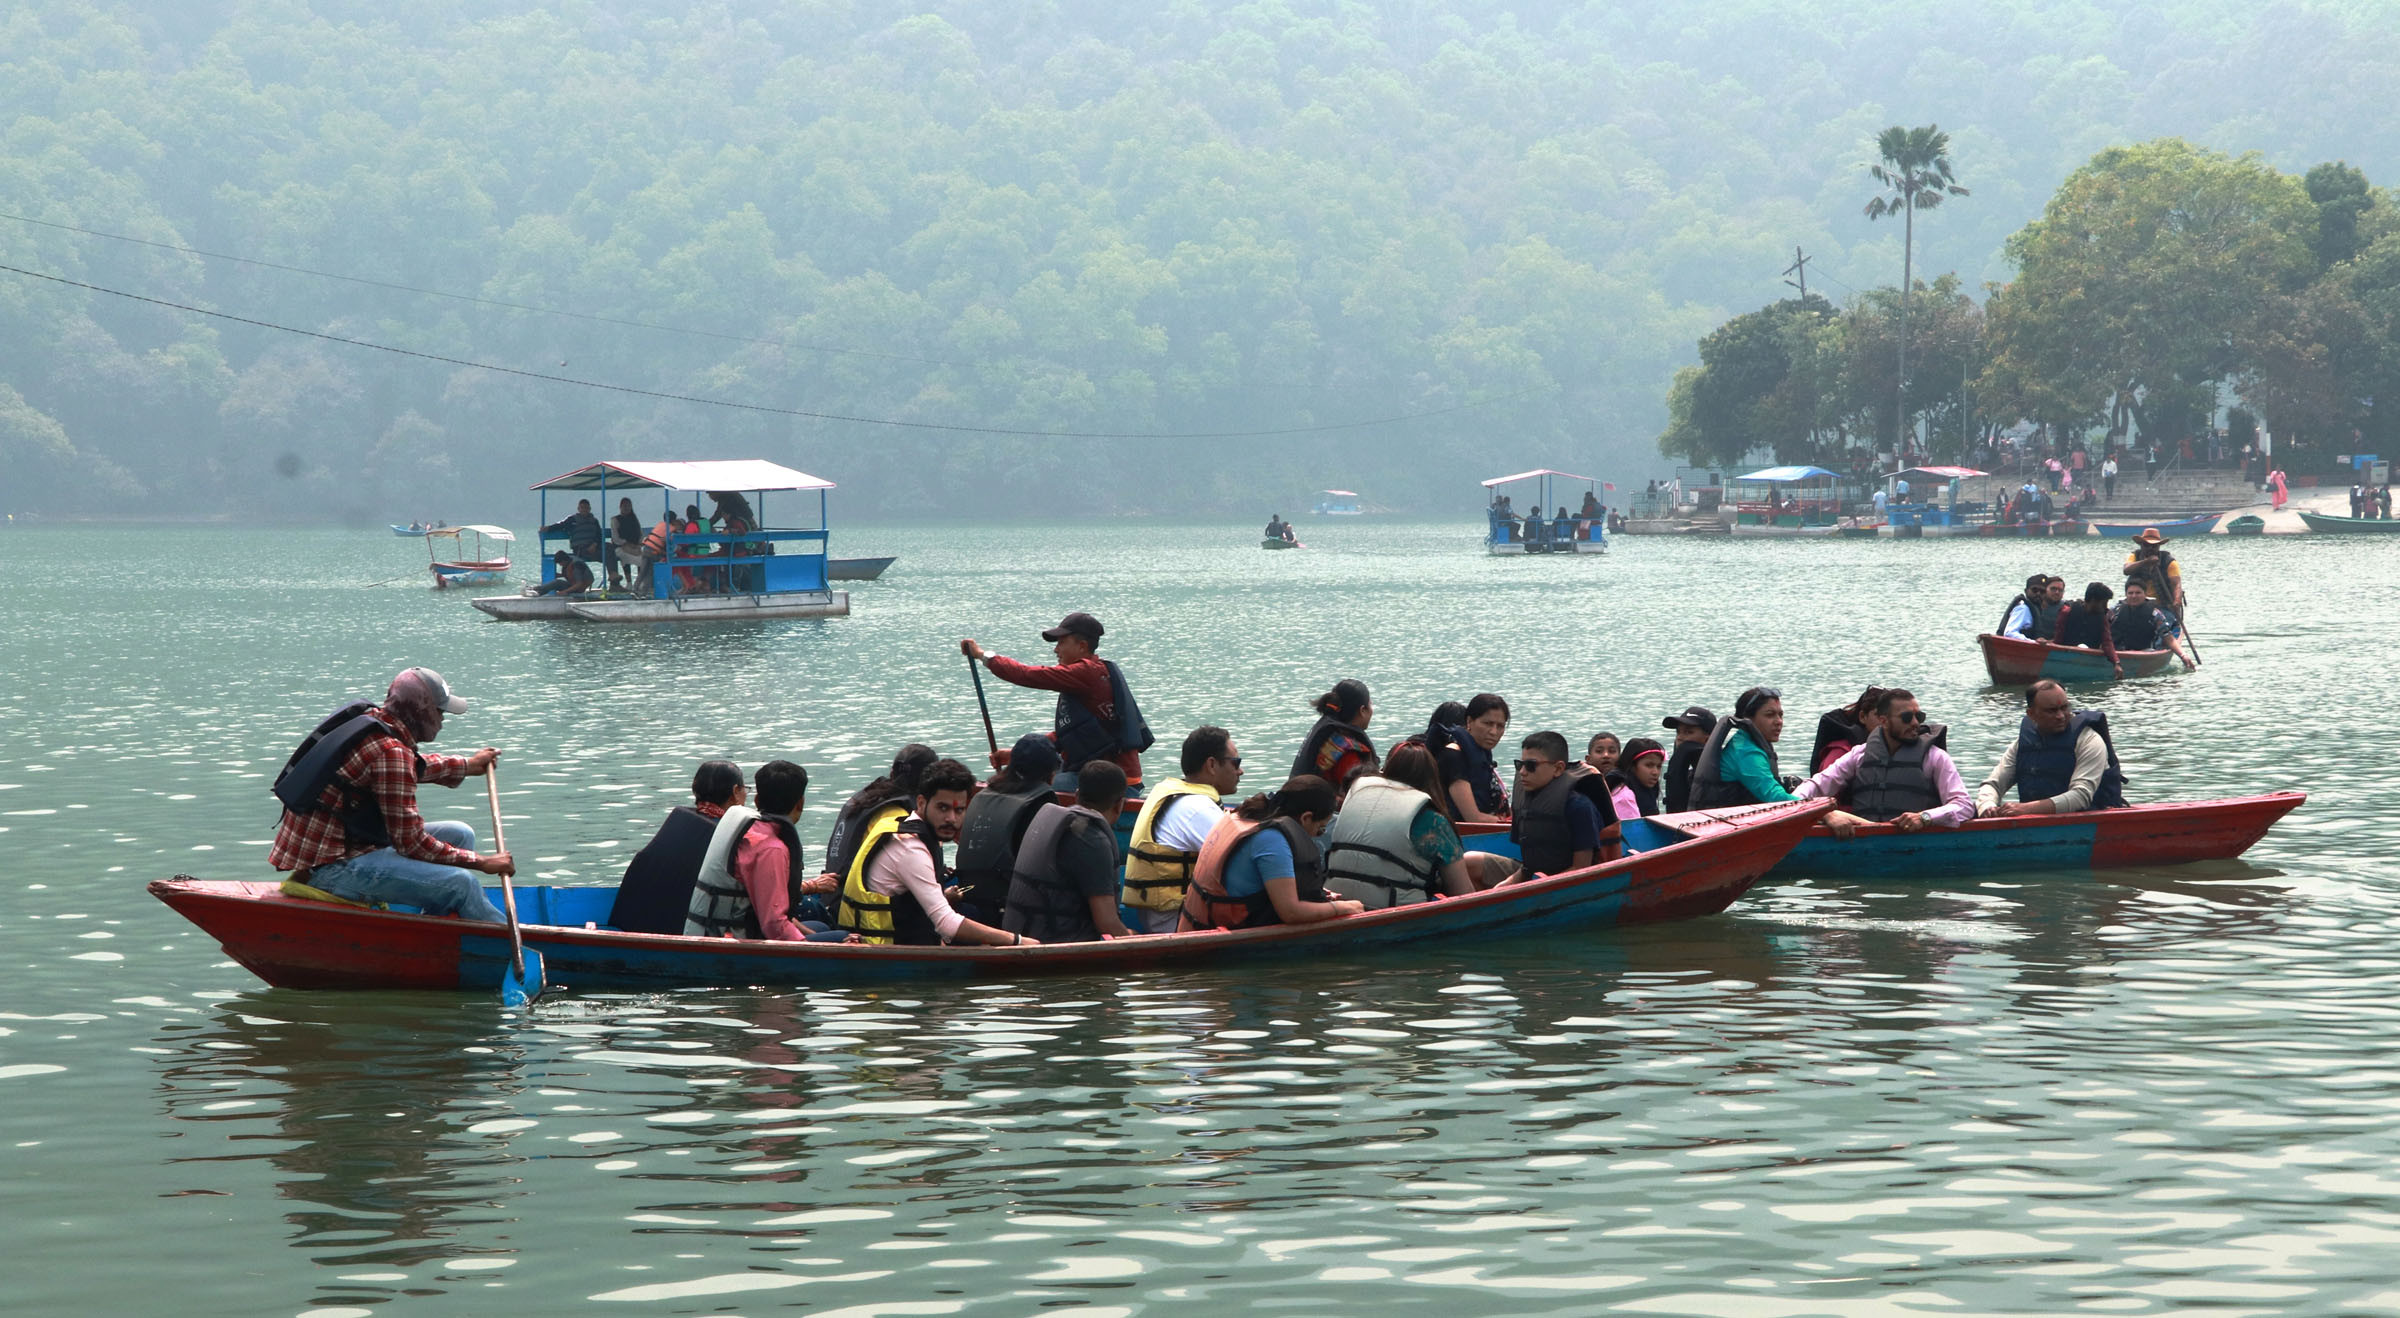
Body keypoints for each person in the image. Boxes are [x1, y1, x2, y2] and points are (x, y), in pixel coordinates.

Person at [266, 667, 509, 922]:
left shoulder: (373, 721)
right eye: (439, 712)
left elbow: (408, 767)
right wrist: (481, 862)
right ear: (421, 713)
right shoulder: (392, 753)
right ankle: (504, 942)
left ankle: (435, 927)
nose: (442, 720)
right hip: (332, 869)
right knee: (463, 884)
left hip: (347, 848)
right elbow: (411, 842)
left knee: (461, 833)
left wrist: (466, 765)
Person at [838, 758, 1032, 945]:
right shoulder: (910, 849)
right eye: (943, 808)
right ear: (921, 803)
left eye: (959, 810)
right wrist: (1017, 940)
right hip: (887, 947)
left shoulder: (908, 827)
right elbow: (947, 924)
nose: (951, 819)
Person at [961, 613, 1151, 790]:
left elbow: (1026, 674)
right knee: (1034, 772)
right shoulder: (1088, 675)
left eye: (1061, 642)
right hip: (1090, 770)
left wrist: (982, 655)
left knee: (1036, 785)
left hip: (1114, 781)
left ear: (1082, 646)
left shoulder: (1086, 673)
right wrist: (1015, 755)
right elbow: (1070, 733)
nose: (1056, 649)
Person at [1324, 743, 1514, 909]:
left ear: (1386, 770)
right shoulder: (1432, 821)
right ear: (1432, 778)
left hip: (1339, 899)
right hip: (1391, 906)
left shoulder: (1357, 793)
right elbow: (1462, 893)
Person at [687, 760, 844, 942]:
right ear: (800, 803)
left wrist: (811, 934)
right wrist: (812, 945)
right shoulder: (771, 848)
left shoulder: (743, 830)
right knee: (843, 936)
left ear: (756, 801)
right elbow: (774, 925)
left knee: (821, 927)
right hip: (739, 939)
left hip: (722, 927)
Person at [1179, 775, 1363, 930]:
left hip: (1194, 923)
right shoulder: (1272, 840)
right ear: (1306, 818)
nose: (1316, 836)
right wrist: (1342, 907)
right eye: (1320, 829)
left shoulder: (1242, 816)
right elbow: (1291, 912)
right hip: (1214, 938)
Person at [1796, 689, 1973, 835]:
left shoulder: (1936, 757)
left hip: (1914, 839)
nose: (1915, 723)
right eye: (1906, 718)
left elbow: (1964, 806)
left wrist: (1924, 817)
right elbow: (1817, 785)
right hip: (1865, 837)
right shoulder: (1859, 755)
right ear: (1884, 721)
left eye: (1919, 716)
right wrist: (1795, 804)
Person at [1121, 725, 1243, 933]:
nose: (1240, 770)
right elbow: (1242, 861)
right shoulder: (1197, 809)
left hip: (1163, 917)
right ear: (1212, 765)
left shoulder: (1175, 795)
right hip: (1177, 921)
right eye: (1236, 763)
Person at [999, 760, 1134, 942]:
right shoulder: (1092, 839)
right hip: (1053, 943)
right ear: (1119, 805)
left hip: (1023, 934)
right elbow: (1106, 923)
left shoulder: (1059, 824)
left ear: (1077, 796)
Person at [609, 759, 746, 934]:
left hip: (631, 923)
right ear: (735, 792)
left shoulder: (681, 818)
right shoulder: (726, 833)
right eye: (745, 790)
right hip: (678, 930)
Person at [948, 734, 1064, 920]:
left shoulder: (982, 796)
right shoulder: (1039, 803)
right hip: (1010, 912)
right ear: (1049, 773)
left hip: (970, 903)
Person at [1976, 680, 2128, 817]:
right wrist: (1987, 806)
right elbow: (1993, 784)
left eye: (2064, 708)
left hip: (2091, 822)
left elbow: (2081, 796)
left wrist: (2026, 809)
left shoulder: (2089, 741)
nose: (2061, 716)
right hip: (2035, 825)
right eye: (2051, 710)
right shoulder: (2022, 744)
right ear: (2031, 714)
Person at [823, 744, 940, 886]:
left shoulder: (864, 800)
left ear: (892, 772)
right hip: (861, 905)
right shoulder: (900, 818)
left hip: (833, 895)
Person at [1510, 731, 1620, 875]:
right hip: (1531, 874)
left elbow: (1581, 869)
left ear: (1558, 768)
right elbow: (1527, 865)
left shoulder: (1579, 807)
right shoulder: (1526, 801)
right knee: (1473, 862)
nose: (1523, 772)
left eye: (1531, 765)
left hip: (1566, 882)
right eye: (1520, 764)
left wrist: (1540, 885)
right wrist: (1509, 883)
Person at [1689, 687, 1798, 808]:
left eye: (1780, 715)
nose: (1779, 721)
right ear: (1748, 719)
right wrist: (1818, 808)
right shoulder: (1745, 752)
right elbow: (1776, 797)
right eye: (1770, 715)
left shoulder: (1746, 742)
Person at [1433, 694, 1511, 821]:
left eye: (1500, 726)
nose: (1493, 732)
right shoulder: (1454, 756)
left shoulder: (1482, 754)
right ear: (1469, 721)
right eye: (1488, 724)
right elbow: (1473, 818)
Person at [1292, 679, 1378, 788]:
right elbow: (1360, 794)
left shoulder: (1326, 731)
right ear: (1363, 710)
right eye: (1370, 704)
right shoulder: (1348, 753)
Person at [2111, 578, 2200, 670]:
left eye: (2138, 593)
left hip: (2145, 651)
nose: (2134, 596)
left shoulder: (2155, 614)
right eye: (2130, 593)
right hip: (2117, 650)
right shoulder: (2115, 611)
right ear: (2126, 595)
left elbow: (2169, 639)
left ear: (2145, 595)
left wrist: (2183, 655)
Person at [1808, 686, 1888, 773]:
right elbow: (1824, 785)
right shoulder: (1841, 753)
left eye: (1890, 716)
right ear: (1862, 717)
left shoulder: (1895, 748)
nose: (1885, 721)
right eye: (1879, 715)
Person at [2050, 581, 2122, 675]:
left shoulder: (2102, 618)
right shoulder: (2067, 612)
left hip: (2089, 653)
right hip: (2065, 653)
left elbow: (2107, 642)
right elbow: (2058, 640)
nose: (2106, 607)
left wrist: (2116, 663)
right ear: (2093, 600)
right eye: (2104, 603)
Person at [1659, 705, 1715, 813]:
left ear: (1708, 739)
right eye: (1678, 732)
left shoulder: (1718, 775)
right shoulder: (1689, 776)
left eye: (1688, 732)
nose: (1679, 737)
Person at [2122, 528, 2184, 613]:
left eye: (2154, 546)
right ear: (2141, 545)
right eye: (2146, 545)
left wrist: (2177, 601)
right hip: (2136, 604)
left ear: (2159, 546)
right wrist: (2146, 561)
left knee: (2167, 622)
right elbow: (2126, 570)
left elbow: (2176, 584)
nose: (2150, 548)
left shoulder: (2168, 561)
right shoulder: (2134, 556)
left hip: (2162, 605)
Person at [1611, 739, 1665, 818]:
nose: (1655, 772)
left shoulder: (1644, 791)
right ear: (1632, 766)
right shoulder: (1625, 798)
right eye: (1649, 765)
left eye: (1659, 766)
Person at [542, 498, 604, 566]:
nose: (584, 510)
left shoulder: (594, 521)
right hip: (581, 549)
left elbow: (599, 535)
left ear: (589, 509)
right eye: (582, 507)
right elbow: (561, 525)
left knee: (609, 549)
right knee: (607, 555)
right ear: (578, 508)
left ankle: (613, 574)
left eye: (586, 508)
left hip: (594, 548)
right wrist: (548, 528)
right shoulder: (573, 520)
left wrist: (594, 544)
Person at [607, 497, 645, 591]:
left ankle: (639, 582)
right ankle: (629, 583)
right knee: (625, 556)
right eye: (624, 506)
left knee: (643, 557)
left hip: (635, 547)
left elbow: (640, 534)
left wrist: (639, 544)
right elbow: (615, 538)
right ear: (620, 507)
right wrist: (626, 543)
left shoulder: (634, 519)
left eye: (628, 506)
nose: (626, 508)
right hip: (620, 547)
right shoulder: (615, 520)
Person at [1998, 575, 2049, 641]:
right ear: (2026, 591)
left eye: (2042, 592)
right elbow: (2009, 633)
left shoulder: (2037, 609)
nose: (2038, 594)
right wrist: (2034, 642)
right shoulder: (2023, 608)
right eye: (2034, 590)